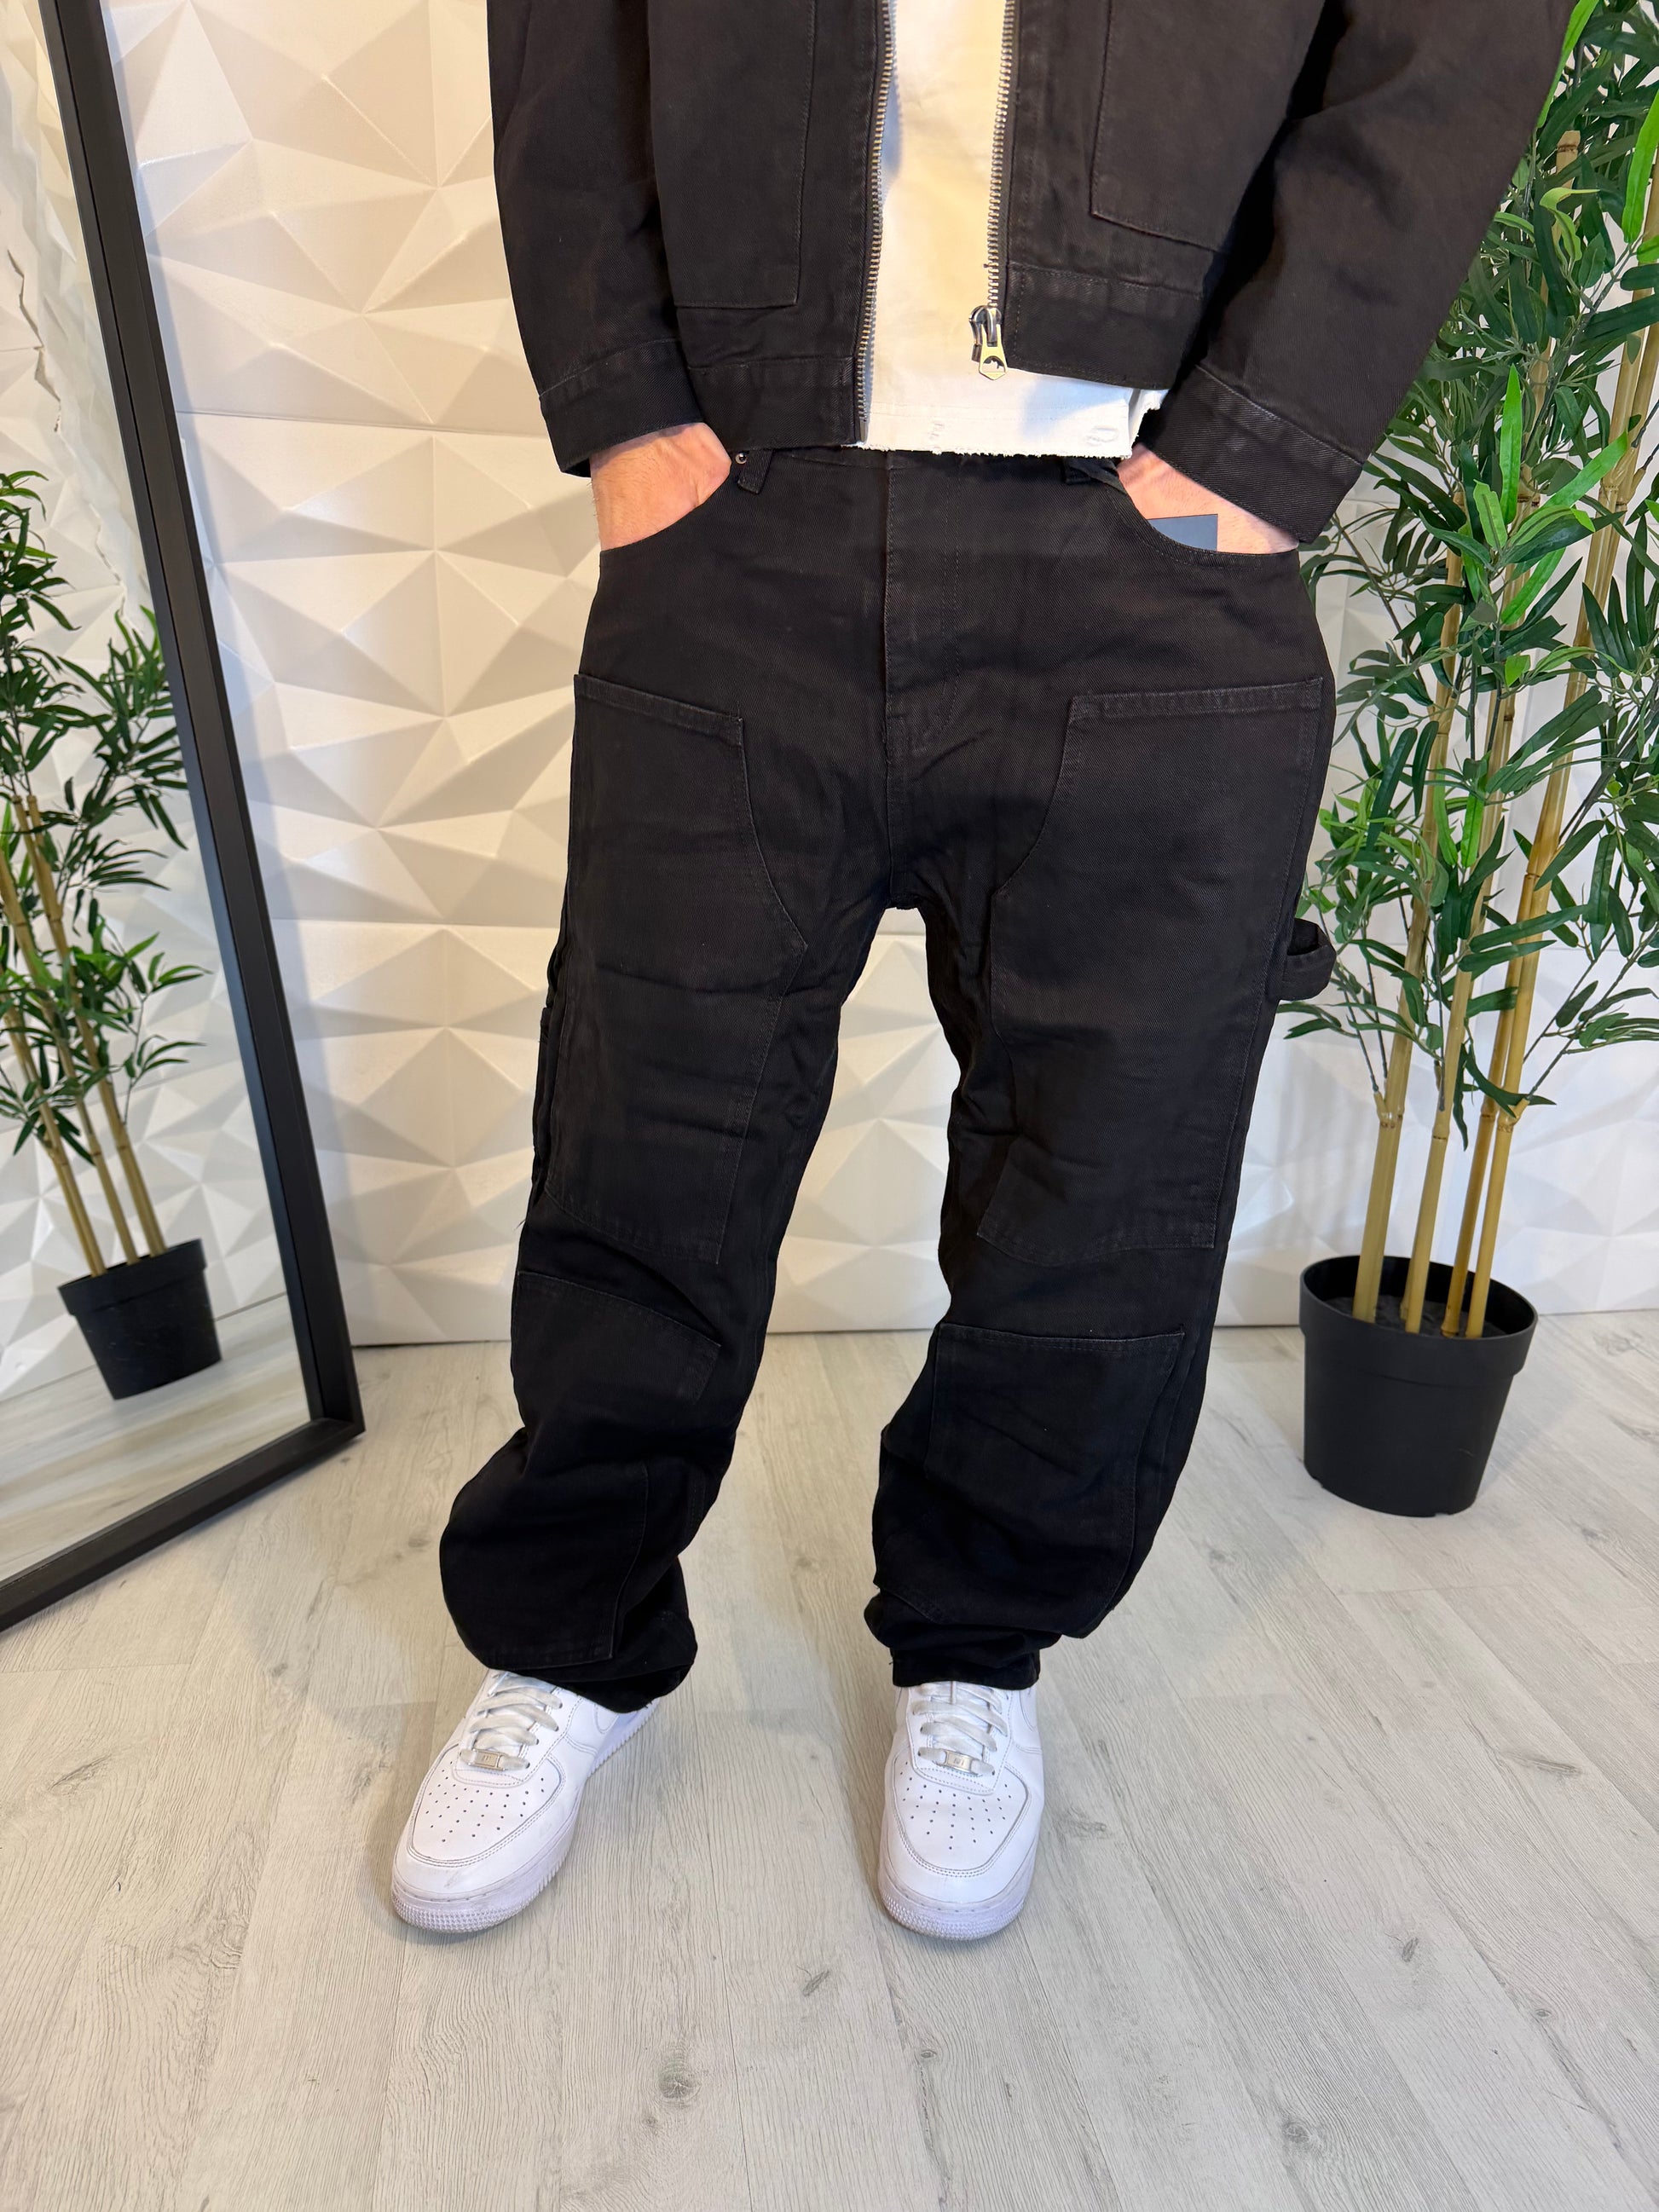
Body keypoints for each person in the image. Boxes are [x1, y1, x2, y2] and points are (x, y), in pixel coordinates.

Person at [392, 0, 1570, 1939]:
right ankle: (565, 1643)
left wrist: (1260, 446)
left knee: (1106, 1165)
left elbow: (1450, 38)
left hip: (1154, 542)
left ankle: (976, 1644)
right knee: (646, 1126)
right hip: (740, 505)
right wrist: (620, 402)